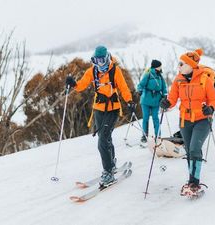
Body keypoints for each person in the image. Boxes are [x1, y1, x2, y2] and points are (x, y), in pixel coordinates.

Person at [65, 45, 135, 186]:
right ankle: (111, 161)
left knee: (102, 140)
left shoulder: (115, 71)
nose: (100, 63)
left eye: (102, 60)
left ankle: (108, 171)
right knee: (105, 137)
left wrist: (130, 101)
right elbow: (81, 85)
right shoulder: (93, 71)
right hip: (98, 109)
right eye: (97, 60)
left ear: (108, 58)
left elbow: (123, 88)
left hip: (113, 109)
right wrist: (72, 83)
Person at [160, 49, 215, 196]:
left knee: (194, 148)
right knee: (189, 151)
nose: (179, 66)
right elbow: (173, 98)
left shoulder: (205, 79)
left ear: (191, 65)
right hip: (185, 120)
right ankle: (192, 180)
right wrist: (167, 102)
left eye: (181, 64)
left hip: (202, 120)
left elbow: (213, 99)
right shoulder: (178, 80)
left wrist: (210, 108)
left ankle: (194, 183)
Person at [137, 60, 167, 143]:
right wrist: (139, 90)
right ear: (156, 67)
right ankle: (144, 135)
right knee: (145, 117)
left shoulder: (160, 76)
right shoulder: (148, 74)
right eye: (160, 66)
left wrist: (165, 95)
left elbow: (164, 87)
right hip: (146, 100)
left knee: (155, 118)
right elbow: (141, 85)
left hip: (156, 100)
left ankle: (158, 135)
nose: (161, 67)